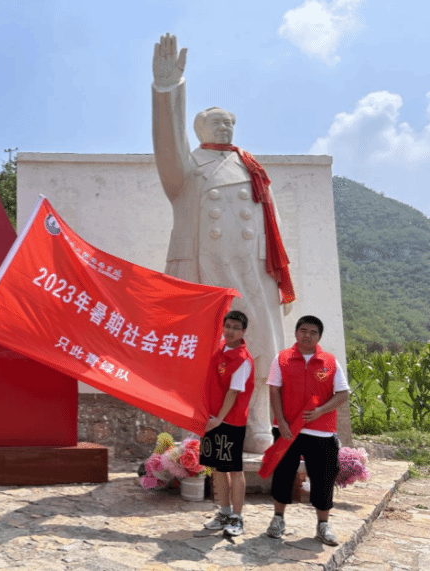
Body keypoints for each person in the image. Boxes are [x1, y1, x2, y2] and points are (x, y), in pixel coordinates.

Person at [152, 33, 296, 453]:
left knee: (261, 345)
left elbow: (273, 227)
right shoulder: (187, 169)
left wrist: (284, 280)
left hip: (254, 271)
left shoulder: (251, 167)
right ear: (198, 130)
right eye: (216, 123)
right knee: (201, 349)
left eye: (228, 122)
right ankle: (196, 426)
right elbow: (167, 145)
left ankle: (258, 423)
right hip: (203, 268)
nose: (225, 127)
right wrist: (167, 89)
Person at [265, 315, 349, 545]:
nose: (307, 335)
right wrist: (281, 422)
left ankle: (323, 524)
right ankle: (278, 519)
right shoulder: (282, 359)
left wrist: (321, 411)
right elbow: (274, 391)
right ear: (296, 333)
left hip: (321, 431)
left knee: (323, 477)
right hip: (287, 430)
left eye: (313, 332)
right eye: (303, 330)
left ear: (319, 336)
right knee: (282, 474)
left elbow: (342, 393)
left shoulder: (330, 362)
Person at [200, 310, 254, 536]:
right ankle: (223, 512)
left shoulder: (242, 359)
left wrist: (219, 419)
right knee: (217, 468)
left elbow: (233, 392)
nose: (230, 331)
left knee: (234, 469)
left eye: (236, 328)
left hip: (230, 421)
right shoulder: (220, 349)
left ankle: (237, 517)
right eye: (228, 326)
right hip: (213, 419)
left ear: (244, 331)